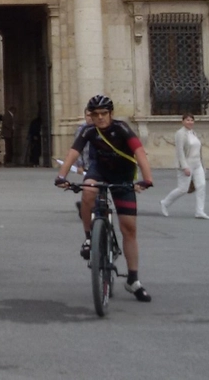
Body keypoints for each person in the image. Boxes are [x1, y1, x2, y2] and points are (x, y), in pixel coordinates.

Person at [55, 95, 155, 302]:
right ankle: (89, 237)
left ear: (111, 114)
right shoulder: (89, 131)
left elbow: (140, 153)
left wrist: (147, 179)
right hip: (99, 172)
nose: (99, 118)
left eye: (103, 114)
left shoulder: (122, 129)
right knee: (88, 191)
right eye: (95, 115)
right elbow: (73, 153)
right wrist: (61, 176)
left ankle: (133, 279)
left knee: (129, 228)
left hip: (123, 177)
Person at [160, 113, 209, 220]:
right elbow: (180, 151)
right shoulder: (180, 133)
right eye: (188, 120)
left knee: (201, 185)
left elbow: (199, 151)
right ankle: (165, 202)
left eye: (192, 120)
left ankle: (200, 211)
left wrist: (203, 166)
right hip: (187, 164)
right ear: (183, 121)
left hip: (197, 164)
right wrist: (185, 167)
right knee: (183, 189)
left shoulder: (193, 133)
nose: (190, 122)